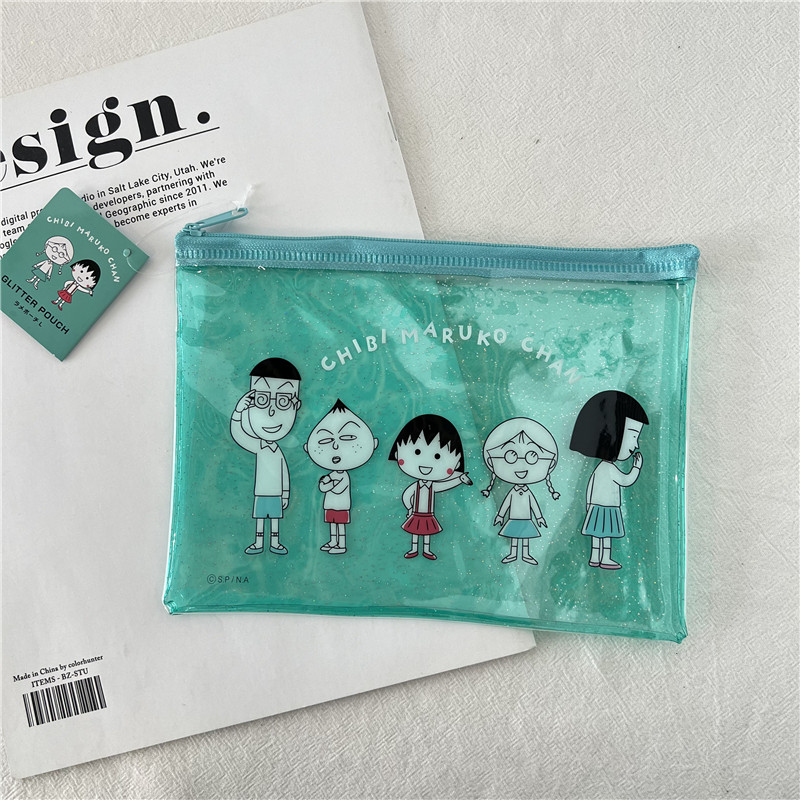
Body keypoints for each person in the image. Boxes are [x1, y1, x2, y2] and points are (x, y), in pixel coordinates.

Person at [569, 390, 649, 570]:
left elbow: (590, 488)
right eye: (633, 435)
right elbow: (626, 481)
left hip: (597, 508)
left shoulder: (600, 469)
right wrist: (636, 468)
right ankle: (604, 558)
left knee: (597, 535)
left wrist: (589, 505)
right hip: (607, 509)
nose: (636, 444)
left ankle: (595, 557)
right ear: (613, 432)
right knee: (605, 536)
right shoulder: (609, 469)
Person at [230, 358, 301, 556]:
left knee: (275, 520)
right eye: (262, 399)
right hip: (261, 493)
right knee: (260, 519)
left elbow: (284, 474)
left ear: (296, 405)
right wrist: (238, 411)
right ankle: (258, 542)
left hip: (276, 494)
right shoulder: (259, 446)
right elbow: (238, 433)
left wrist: (285, 494)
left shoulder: (277, 451)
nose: (271, 410)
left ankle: (275, 543)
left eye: (283, 401)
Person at [388, 414, 472, 561]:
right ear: (397, 452)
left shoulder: (433, 486)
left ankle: (426, 550)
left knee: (427, 533)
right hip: (416, 513)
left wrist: (459, 479)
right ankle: (414, 549)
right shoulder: (417, 486)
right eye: (417, 452)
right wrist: (409, 508)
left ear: (457, 463)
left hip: (428, 515)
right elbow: (407, 495)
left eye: (438, 456)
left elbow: (444, 485)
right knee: (415, 532)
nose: (425, 464)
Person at [481, 417, 560, 565]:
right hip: (514, 518)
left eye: (532, 457)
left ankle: (525, 555)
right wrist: (500, 515)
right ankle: (513, 554)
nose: (521, 466)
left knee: (525, 538)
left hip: (526, 519)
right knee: (515, 538)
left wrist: (539, 517)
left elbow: (533, 504)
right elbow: (506, 503)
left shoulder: (528, 492)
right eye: (510, 457)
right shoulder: (513, 492)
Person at [304, 399, 378, 554]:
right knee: (332, 524)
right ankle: (333, 541)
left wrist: (327, 483)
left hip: (341, 505)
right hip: (330, 505)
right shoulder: (332, 474)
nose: (335, 446)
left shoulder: (343, 476)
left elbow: (335, 488)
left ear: (373, 444)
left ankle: (341, 544)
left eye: (347, 438)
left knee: (340, 526)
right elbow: (323, 487)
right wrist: (326, 483)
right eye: (326, 440)